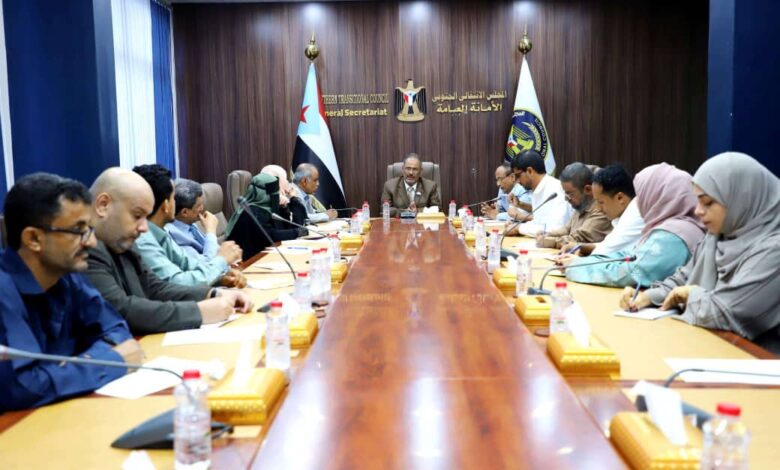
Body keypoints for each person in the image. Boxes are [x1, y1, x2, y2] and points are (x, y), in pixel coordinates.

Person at [0, 173, 140, 411]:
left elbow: (115, 329)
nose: (91, 242)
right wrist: (110, 361)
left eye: (90, 230)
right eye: (78, 230)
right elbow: (23, 387)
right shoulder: (4, 291)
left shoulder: (67, 275)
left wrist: (71, 368)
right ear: (33, 238)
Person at [621, 153, 780, 353]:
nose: (698, 211)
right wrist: (647, 297)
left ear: (742, 199)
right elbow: (682, 279)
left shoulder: (774, 248)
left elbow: (726, 312)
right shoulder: (717, 237)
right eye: (698, 201)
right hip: (711, 349)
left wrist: (691, 294)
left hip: (757, 360)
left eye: (708, 202)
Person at [86, 168, 253, 335]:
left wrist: (213, 293)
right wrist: (199, 312)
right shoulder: (84, 248)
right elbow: (121, 309)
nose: (144, 228)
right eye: (137, 216)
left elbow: (156, 288)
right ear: (103, 205)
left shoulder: (121, 240)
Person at [564, 162, 705, 287]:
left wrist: (576, 266)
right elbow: (630, 255)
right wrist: (582, 261)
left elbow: (632, 273)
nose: (639, 203)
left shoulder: (673, 236)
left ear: (657, 196)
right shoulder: (674, 227)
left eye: (642, 196)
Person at [132, 165, 245, 288]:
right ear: (165, 205)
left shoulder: (161, 232)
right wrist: (221, 260)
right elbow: (176, 283)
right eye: (173, 198)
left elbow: (190, 264)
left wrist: (220, 279)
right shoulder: (143, 239)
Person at [560, 164, 645, 257]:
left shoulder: (634, 215)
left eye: (600, 202)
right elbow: (607, 245)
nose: (598, 208)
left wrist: (572, 262)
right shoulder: (624, 213)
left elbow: (601, 254)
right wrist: (579, 246)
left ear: (620, 198)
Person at [226, 172, 307, 260]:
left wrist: (285, 209)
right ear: (264, 194)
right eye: (275, 194)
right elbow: (271, 235)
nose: (277, 196)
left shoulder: (266, 209)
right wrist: (297, 232)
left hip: (260, 257)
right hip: (246, 262)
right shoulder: (252, 211)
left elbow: (287, 229)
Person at [537, 162, 612, 248]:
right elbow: (566, 229)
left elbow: (580, 237)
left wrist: (551, 242)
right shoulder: (582, 204)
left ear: (587, 189)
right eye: (565, 193)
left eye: (570, 193)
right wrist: (547, 234)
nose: (566, 198)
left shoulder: (601, 209)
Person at [507, 150, 572, 235]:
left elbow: (556, 229)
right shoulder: (537, 190)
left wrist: (519, 228)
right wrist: (515, 226)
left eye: (518, 176)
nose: (517, 181)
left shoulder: (555, 189)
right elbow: (538, 223)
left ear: (530, 171)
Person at [165, 178, 223, 262]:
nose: (202, 208)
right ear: (184, 212)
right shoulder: (175, 236)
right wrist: (211, 231)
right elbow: (207, 263)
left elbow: (212, 248)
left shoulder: (189, 224)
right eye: (198, 206)